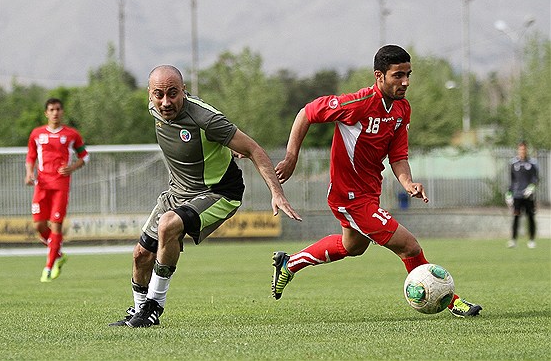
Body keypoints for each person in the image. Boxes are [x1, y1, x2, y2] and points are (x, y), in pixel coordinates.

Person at [272, 45, 482, 317]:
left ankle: (290, 263)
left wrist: (408, 183)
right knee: (410, 247)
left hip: (369, 193)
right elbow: (306, 113)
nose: (405, 82)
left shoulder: (402, 109)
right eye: (398, 75)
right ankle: (452, 302)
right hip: (349, 197)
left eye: (408, 74)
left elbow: (398, 155)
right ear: (379, 76)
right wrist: (291, 157)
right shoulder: (356, 104)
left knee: (352, 247)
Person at [110, 65, 301, 328]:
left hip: (218, 192)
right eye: (159, 94)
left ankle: (154, 306)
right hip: (177, 191)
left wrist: (276, 193)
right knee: (141, 254)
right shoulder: (154, 108)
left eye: (173, 94)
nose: (166, 102)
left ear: (184, 91)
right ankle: (140, 310)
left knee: (169, 225)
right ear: (150, 95)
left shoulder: (205, 118)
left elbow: (254, 149)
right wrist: (225, 151)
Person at [25, 98, 89, 282]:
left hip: (61, 185)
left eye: (58, 109)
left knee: (56, 225)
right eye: (51, 109)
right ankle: (59, 253)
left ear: (62, 112)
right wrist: (29, 174)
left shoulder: (71, 134)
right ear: (46, 113)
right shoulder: (37, 134)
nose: (55, 112)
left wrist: (73, 166)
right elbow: (30, 156)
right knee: (39, 226)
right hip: (42, 185)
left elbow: (85, 156)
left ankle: (49, 267)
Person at [505, 141, 539, 248]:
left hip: (528, 196)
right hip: (517, 196)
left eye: (524, 149)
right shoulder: (513, 163)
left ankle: (531, 240)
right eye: (520, 149)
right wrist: (509, 193)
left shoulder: (532, 163)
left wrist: (531, 188)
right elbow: (512, 181)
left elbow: (535, 179)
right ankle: (513, 240)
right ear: (518, 150)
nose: (522, 151)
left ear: (526, 150)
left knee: (531, 217)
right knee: (516, 217)